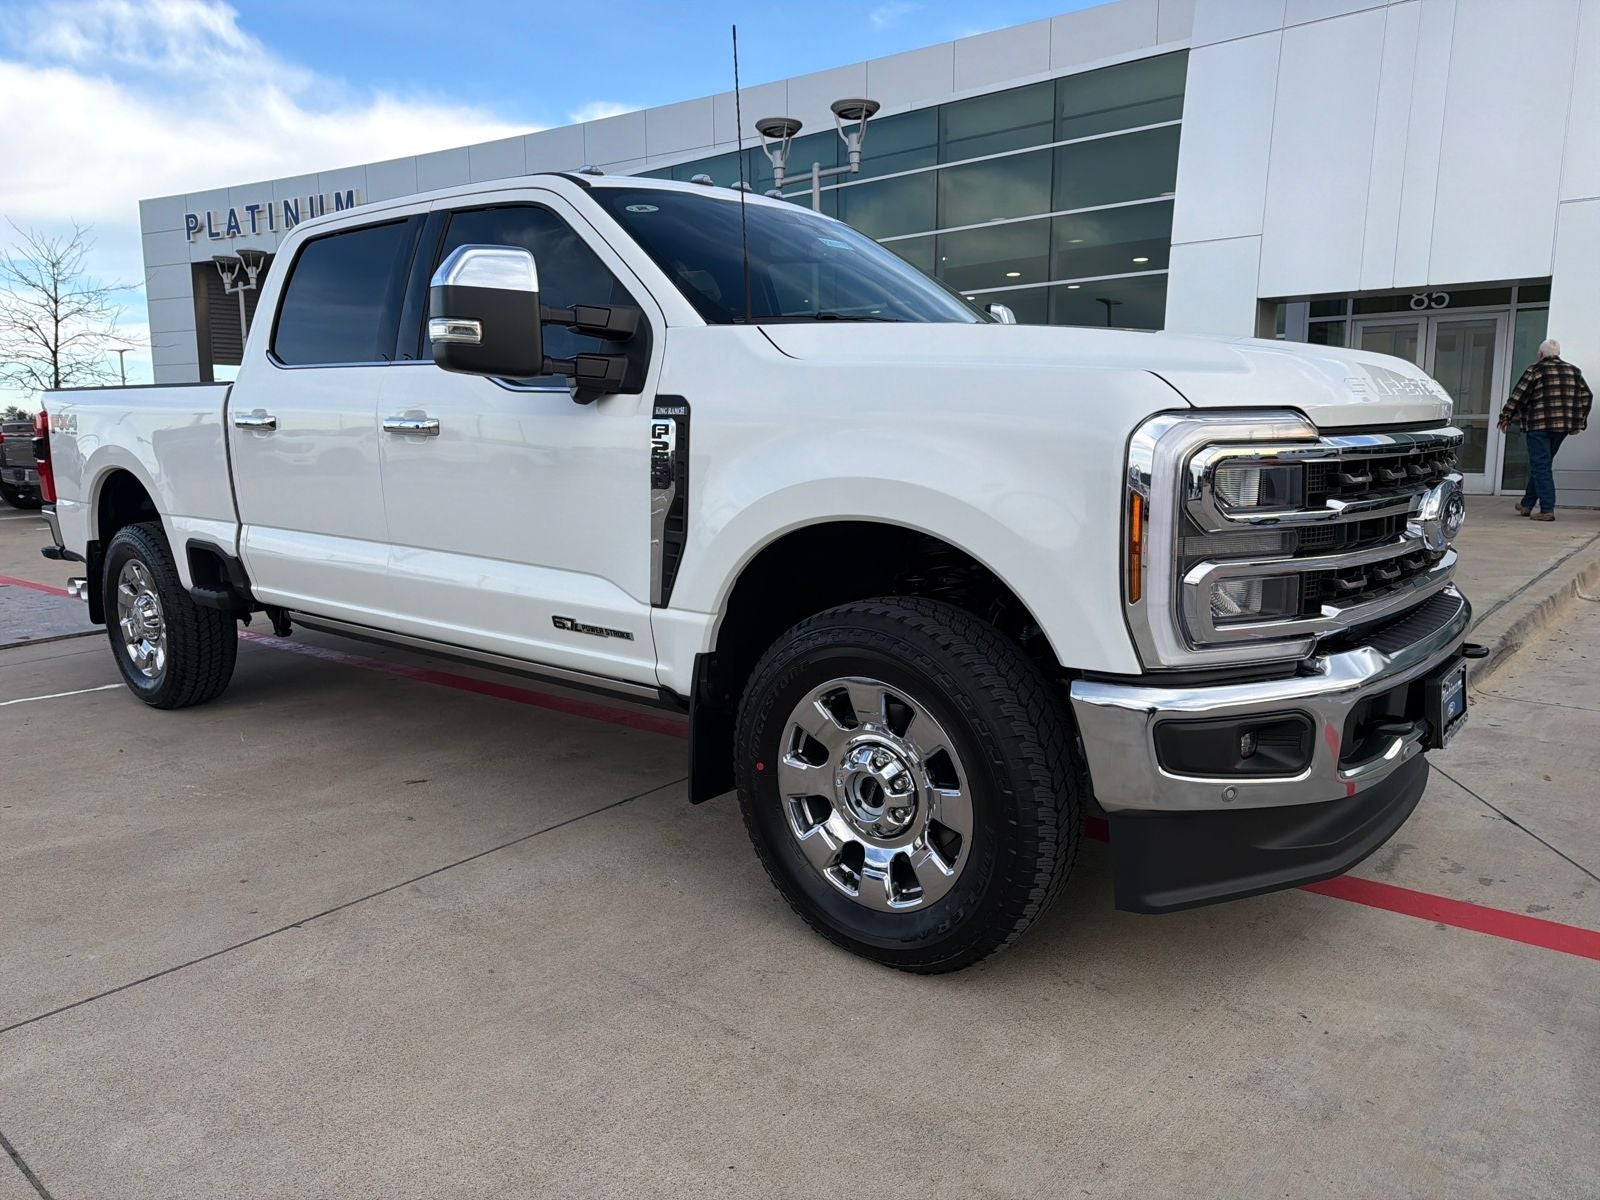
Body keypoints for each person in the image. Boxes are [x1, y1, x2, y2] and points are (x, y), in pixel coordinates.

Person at [1499, 338, 1592, 520]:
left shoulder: (1535, 370)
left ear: (1540, 355)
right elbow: (1587, 395)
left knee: (1540, 465)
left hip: (1538, 425)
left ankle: (1547, 509)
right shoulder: (1573, 371)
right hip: (1562, 427)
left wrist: (1506, 416)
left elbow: (1518, 395)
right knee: (1543, 464)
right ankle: (1526, 504)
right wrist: (1580, 420)